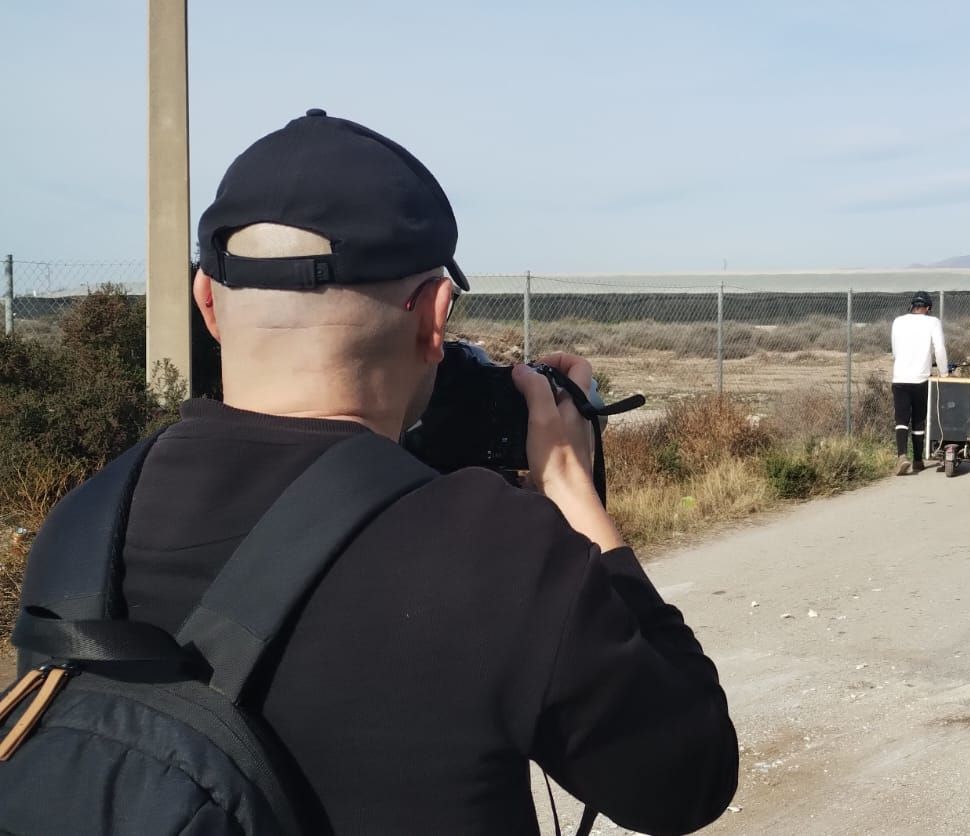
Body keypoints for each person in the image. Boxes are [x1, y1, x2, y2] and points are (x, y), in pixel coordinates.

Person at [119, 110, 738, 833]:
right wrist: (569, 487)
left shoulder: (88, 525)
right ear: (434, 317)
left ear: (207, 303)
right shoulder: (493, 548)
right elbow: (687, 778)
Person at [890, 290, 948, 474]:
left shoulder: (898, 321)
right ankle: (917, 460)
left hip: (899, 376)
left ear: (912, 306)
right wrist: (944, 372)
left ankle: (901, 456)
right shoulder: (933, 322)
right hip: (920, 378)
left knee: (901, 419)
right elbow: (939, 349)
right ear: (928, 308)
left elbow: (895, 350)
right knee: (918, 420)